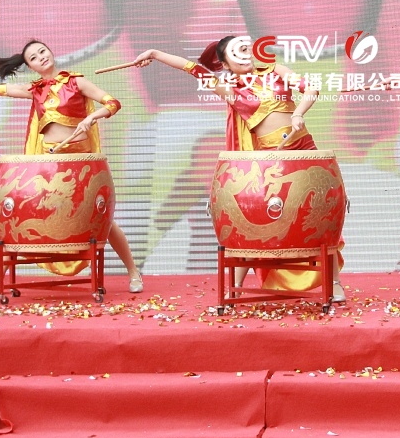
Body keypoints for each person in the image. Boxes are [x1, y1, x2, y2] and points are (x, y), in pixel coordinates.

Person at [136, 35, 345, 302]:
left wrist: (298, 113)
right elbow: (193, 68)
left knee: (320, 212)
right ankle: (234, 287)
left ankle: (334, 283)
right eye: (237, 52)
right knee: (258, 220)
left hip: (304, 149)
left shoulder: (275, 71)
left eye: (246, 49)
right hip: (271, 158)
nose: (245, 55)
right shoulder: (230, 90)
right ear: (225, 64)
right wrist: (155, 53)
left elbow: (311, 89)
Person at [0, 40, 143, 294]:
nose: (41, 57)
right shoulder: (34, 90)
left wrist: (92, 117)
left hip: (80, 164)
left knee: (103, 222)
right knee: (28, 218)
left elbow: (112, 103)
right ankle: (0, 274)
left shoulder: (76, 82)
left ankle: (133, 271)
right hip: (49, 163)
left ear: (51, 52)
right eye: (33, 57)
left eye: (42, 51)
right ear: (30, 67)